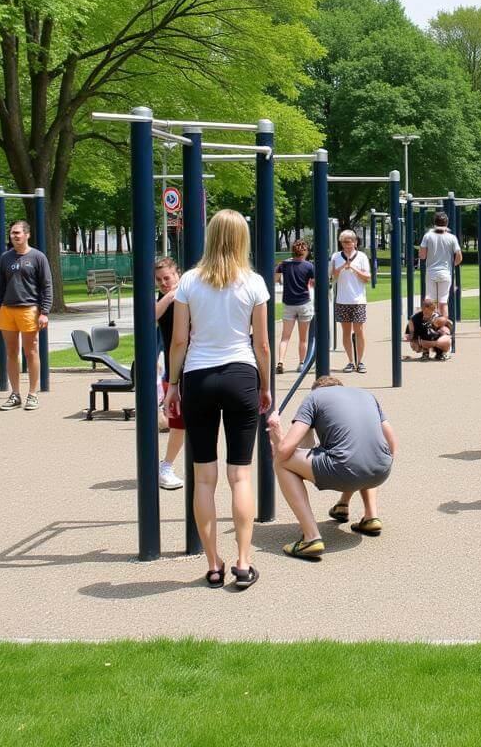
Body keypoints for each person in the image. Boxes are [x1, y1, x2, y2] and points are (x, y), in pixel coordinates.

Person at [162, 209, 271, 590]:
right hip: (241, 375)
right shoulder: (254, 283)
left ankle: (213, 564)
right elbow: (261, 344)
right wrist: (265, 385)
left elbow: (179, 340)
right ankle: (243, 561)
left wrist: (172, 384)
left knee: (204, 478)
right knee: (240, 474)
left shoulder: (189, 281)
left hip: (199, 377)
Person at [268, 376, 395, 555]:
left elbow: (287, 451)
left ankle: (311, 538)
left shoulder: (314, 397)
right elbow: (390, 441)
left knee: (281, 463)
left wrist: (277, 436)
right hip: (382, 469)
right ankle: (368, 515)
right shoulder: (366, 395)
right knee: (361, 453)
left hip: (345, 469)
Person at [0, 219, 52, 412]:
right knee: (10, 353)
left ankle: (32, 395)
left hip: (29, 310)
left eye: (18, 233)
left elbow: (47, 286)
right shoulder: (5, 258)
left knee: (31, 351)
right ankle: (15, 394)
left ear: (27, 234)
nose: (14, 236)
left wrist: (44, 312)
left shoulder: (38, 257)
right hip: (7, 310)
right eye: (12, 233)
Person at [154, 257, 185, 490]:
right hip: (175, 369)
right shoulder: (163, 301)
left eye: (168, 277)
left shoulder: (190, 294)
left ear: (178, 274)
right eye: (159, 280)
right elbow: (151, 316)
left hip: (197, 364)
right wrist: (169, 295)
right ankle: (166, 466)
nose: (164, 282)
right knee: (178, 423)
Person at [330, 230, 371, 374]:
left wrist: (353, 267)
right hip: (342, 300)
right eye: (343, 242)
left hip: (358, 300)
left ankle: (360, 361)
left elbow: (367, 278)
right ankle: (350, 361)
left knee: (359, 331)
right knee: (346, 332)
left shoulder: (362, 257)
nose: (346, 245)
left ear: (355, 242)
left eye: (349, 242)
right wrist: (342, 267)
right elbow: (332, 276)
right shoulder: (336, 256)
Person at [275, 239, 315, 373]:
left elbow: (275, 278)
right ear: (305, 251)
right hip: (304, 302)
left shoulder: (284, 264)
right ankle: (301, 363)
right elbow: (314, 282)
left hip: (288, 303)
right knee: (303, 338)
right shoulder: (309, 266)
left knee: (285, 337)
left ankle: (280, 361)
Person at [418, 212, 462, 319]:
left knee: (429, 301)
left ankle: (428, 328)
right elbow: (459, 257)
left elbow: (422, 256)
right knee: (443, 303)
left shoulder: (427, 236)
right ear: (446, 223)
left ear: (434, 223)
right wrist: (451, 265)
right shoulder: (452, 237)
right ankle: (445, 329)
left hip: (431, 272)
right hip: (445, 273)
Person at [405, 296, 452, 361]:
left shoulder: (438, 317)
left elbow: (447, 329)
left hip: (436, 340)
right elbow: (410, 334)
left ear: (433, 309)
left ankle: (443, 352)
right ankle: (425, 353)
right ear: (422, 309)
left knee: (445, 335)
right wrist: (411, 338)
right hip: (422, 340)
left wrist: (434, 343)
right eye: (424, 310)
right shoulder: (414, 319)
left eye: (429, 311)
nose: (426, 312)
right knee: (415, 343)